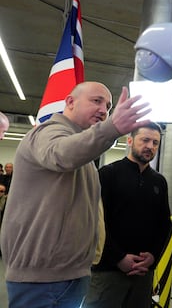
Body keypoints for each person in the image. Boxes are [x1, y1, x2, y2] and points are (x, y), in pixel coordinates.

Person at [0, 81, 151, 308]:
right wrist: (112, 127)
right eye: (96, 101)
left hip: (68, 276)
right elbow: (59, 153)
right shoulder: (47, 132)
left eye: (108, 106)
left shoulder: (84, 153)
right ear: (70, 102)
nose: (104, 110)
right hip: (44, 280)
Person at [83, 122, 171, 308]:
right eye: (145, 140)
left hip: (143, 272)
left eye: (155, 142)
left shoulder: (159, 182)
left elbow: (163, 224)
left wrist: (153, 256)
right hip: (107, 271)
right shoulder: (108, 174)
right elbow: (94, 222)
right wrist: (118, 258)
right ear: (129, 140)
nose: (150, 146)